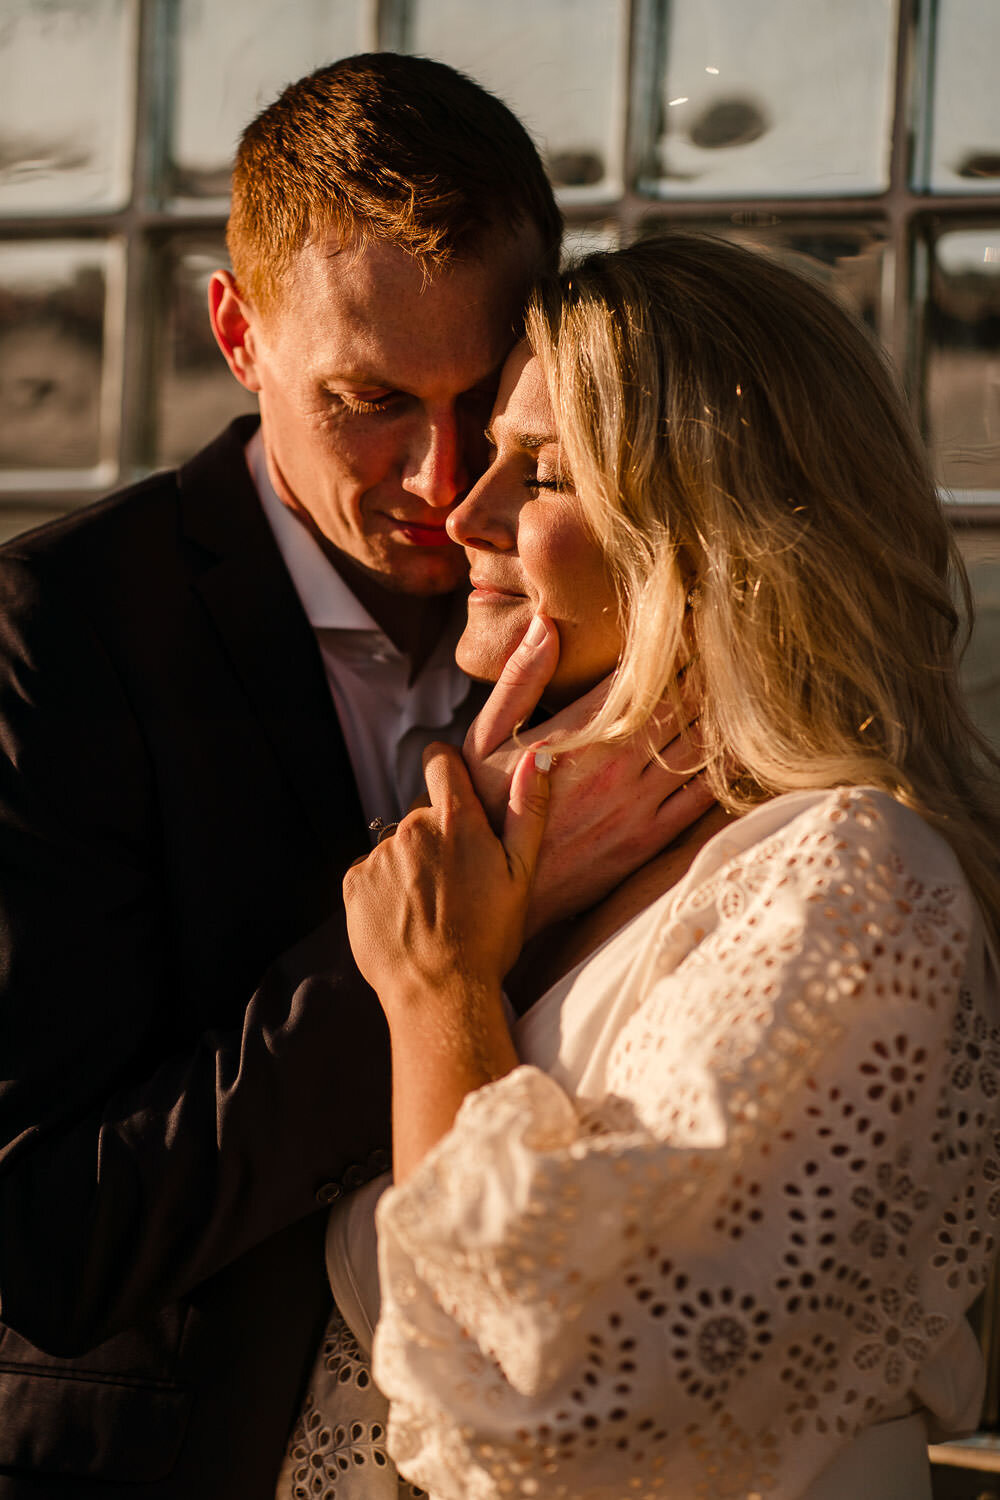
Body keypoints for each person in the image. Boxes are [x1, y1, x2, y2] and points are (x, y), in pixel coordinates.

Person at [0, 59, 704, 1499]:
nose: (446, 480)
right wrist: (432, 939)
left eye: (486, 397)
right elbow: (47, 1241)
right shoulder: (56, 632)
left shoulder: (602, 605)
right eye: (371, 400)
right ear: (237, 331)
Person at [301, 233, 1000, 1499]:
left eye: (545, 472)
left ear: (713, 536)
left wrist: (442, 996)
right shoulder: (572, 867)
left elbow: (550, 1386)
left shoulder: (851, 878)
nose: (465, 511)